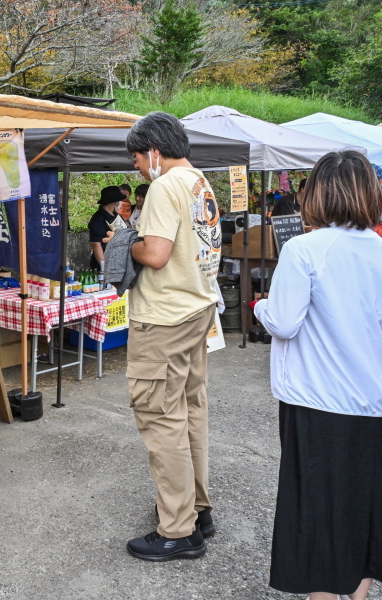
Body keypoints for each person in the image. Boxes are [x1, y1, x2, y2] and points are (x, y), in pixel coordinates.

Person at [254, 151, 382, 599]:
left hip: (317, 401)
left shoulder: (304, 249)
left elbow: (284, 321)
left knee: (317, 515)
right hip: (375, 401)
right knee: (363, 510)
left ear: (318, 194)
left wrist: (261, 306)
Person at [123, 111, 221, 561]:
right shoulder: (200, 183)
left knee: (161, 418)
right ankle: (197, 508)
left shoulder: (164, 186)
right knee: (189, 410)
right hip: (198, 309)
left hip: (164, 319)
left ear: (154, 151)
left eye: (137, 159)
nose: (137, 168)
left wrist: (129, 242)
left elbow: (157, 254)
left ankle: (179, 530)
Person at [88, 186, 126, 271]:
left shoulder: (116, 215)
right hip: (107, 262)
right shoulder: (98, 218)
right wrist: (104, 267)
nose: (120, 203)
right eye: (118, 200)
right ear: (112, 202)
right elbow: (95, 244)